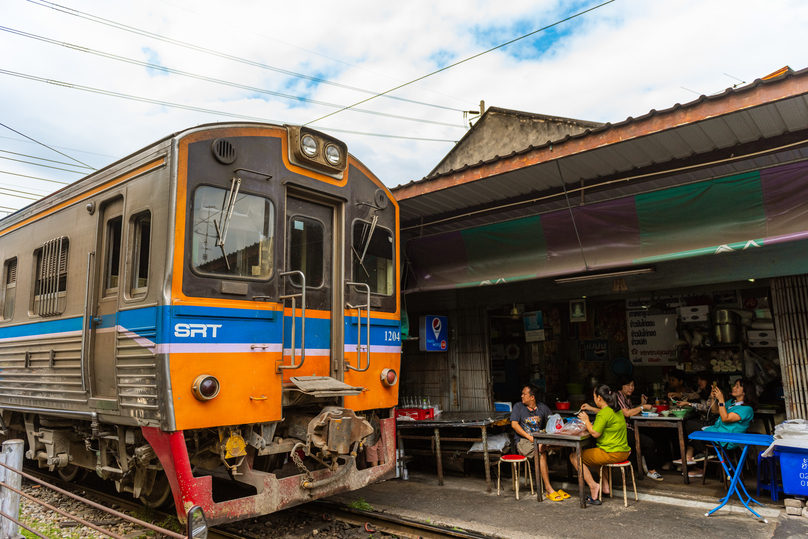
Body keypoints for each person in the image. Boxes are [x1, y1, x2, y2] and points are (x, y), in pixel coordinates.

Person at [677, 379, 756, 478]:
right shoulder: (731, 402)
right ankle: (706, 453)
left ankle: (707, 452)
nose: (734, 388)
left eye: (737, 386)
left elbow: (725, 418)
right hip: (716, 432)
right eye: (734, 385)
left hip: (726, 439)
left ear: (745, 391)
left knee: (691, 425)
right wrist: (714, 398)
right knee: (691, 424)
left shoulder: (747, 409)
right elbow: (714, 411)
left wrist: (721, 400)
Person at [570, 385, 631, 505]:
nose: (593, 399)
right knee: (596, 454)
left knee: (573, 456)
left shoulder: (604, 414)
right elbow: (604, 413)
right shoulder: (616, 410)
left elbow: (595, 433)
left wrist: (586, 420)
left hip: (611, 453)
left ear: (599, 397)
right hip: (623, 453)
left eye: (594, 397)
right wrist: (591, 409)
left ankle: (593, 486)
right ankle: (605, 487)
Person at [510, 385, 568, 501]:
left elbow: (552, 421)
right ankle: (548, 488)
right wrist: (531, 438)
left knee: (563, 446)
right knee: (542, 453)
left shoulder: (542, 407)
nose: (521, 396)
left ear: (532, 397)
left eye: (524, 394)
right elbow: (514, 425)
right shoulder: (518, 407)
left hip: (540, 440)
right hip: (524, 441)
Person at [614, 374, 664, 481]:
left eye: (632, 385)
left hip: (630, 427)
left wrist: (641, 405)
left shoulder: (627, 399)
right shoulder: (617, 397)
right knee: (648, 442)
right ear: (621, 386)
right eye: (628, 385)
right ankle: (651, 471)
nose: (631, 388)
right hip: (621, 431)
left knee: (656, 433)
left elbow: (632, 412)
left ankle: (651, 462)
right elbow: (627, 413)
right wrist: (642, 407)